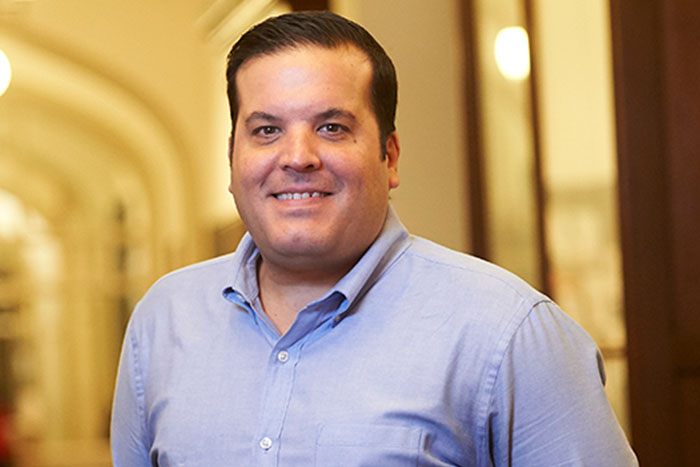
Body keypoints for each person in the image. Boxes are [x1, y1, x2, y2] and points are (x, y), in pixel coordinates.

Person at [110, 10, 638, 466]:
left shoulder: (508, 335)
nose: (297, 157)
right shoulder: (163, 322)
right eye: (266, 130)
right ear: (232, 159)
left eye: (332, 127)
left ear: (389, 156)